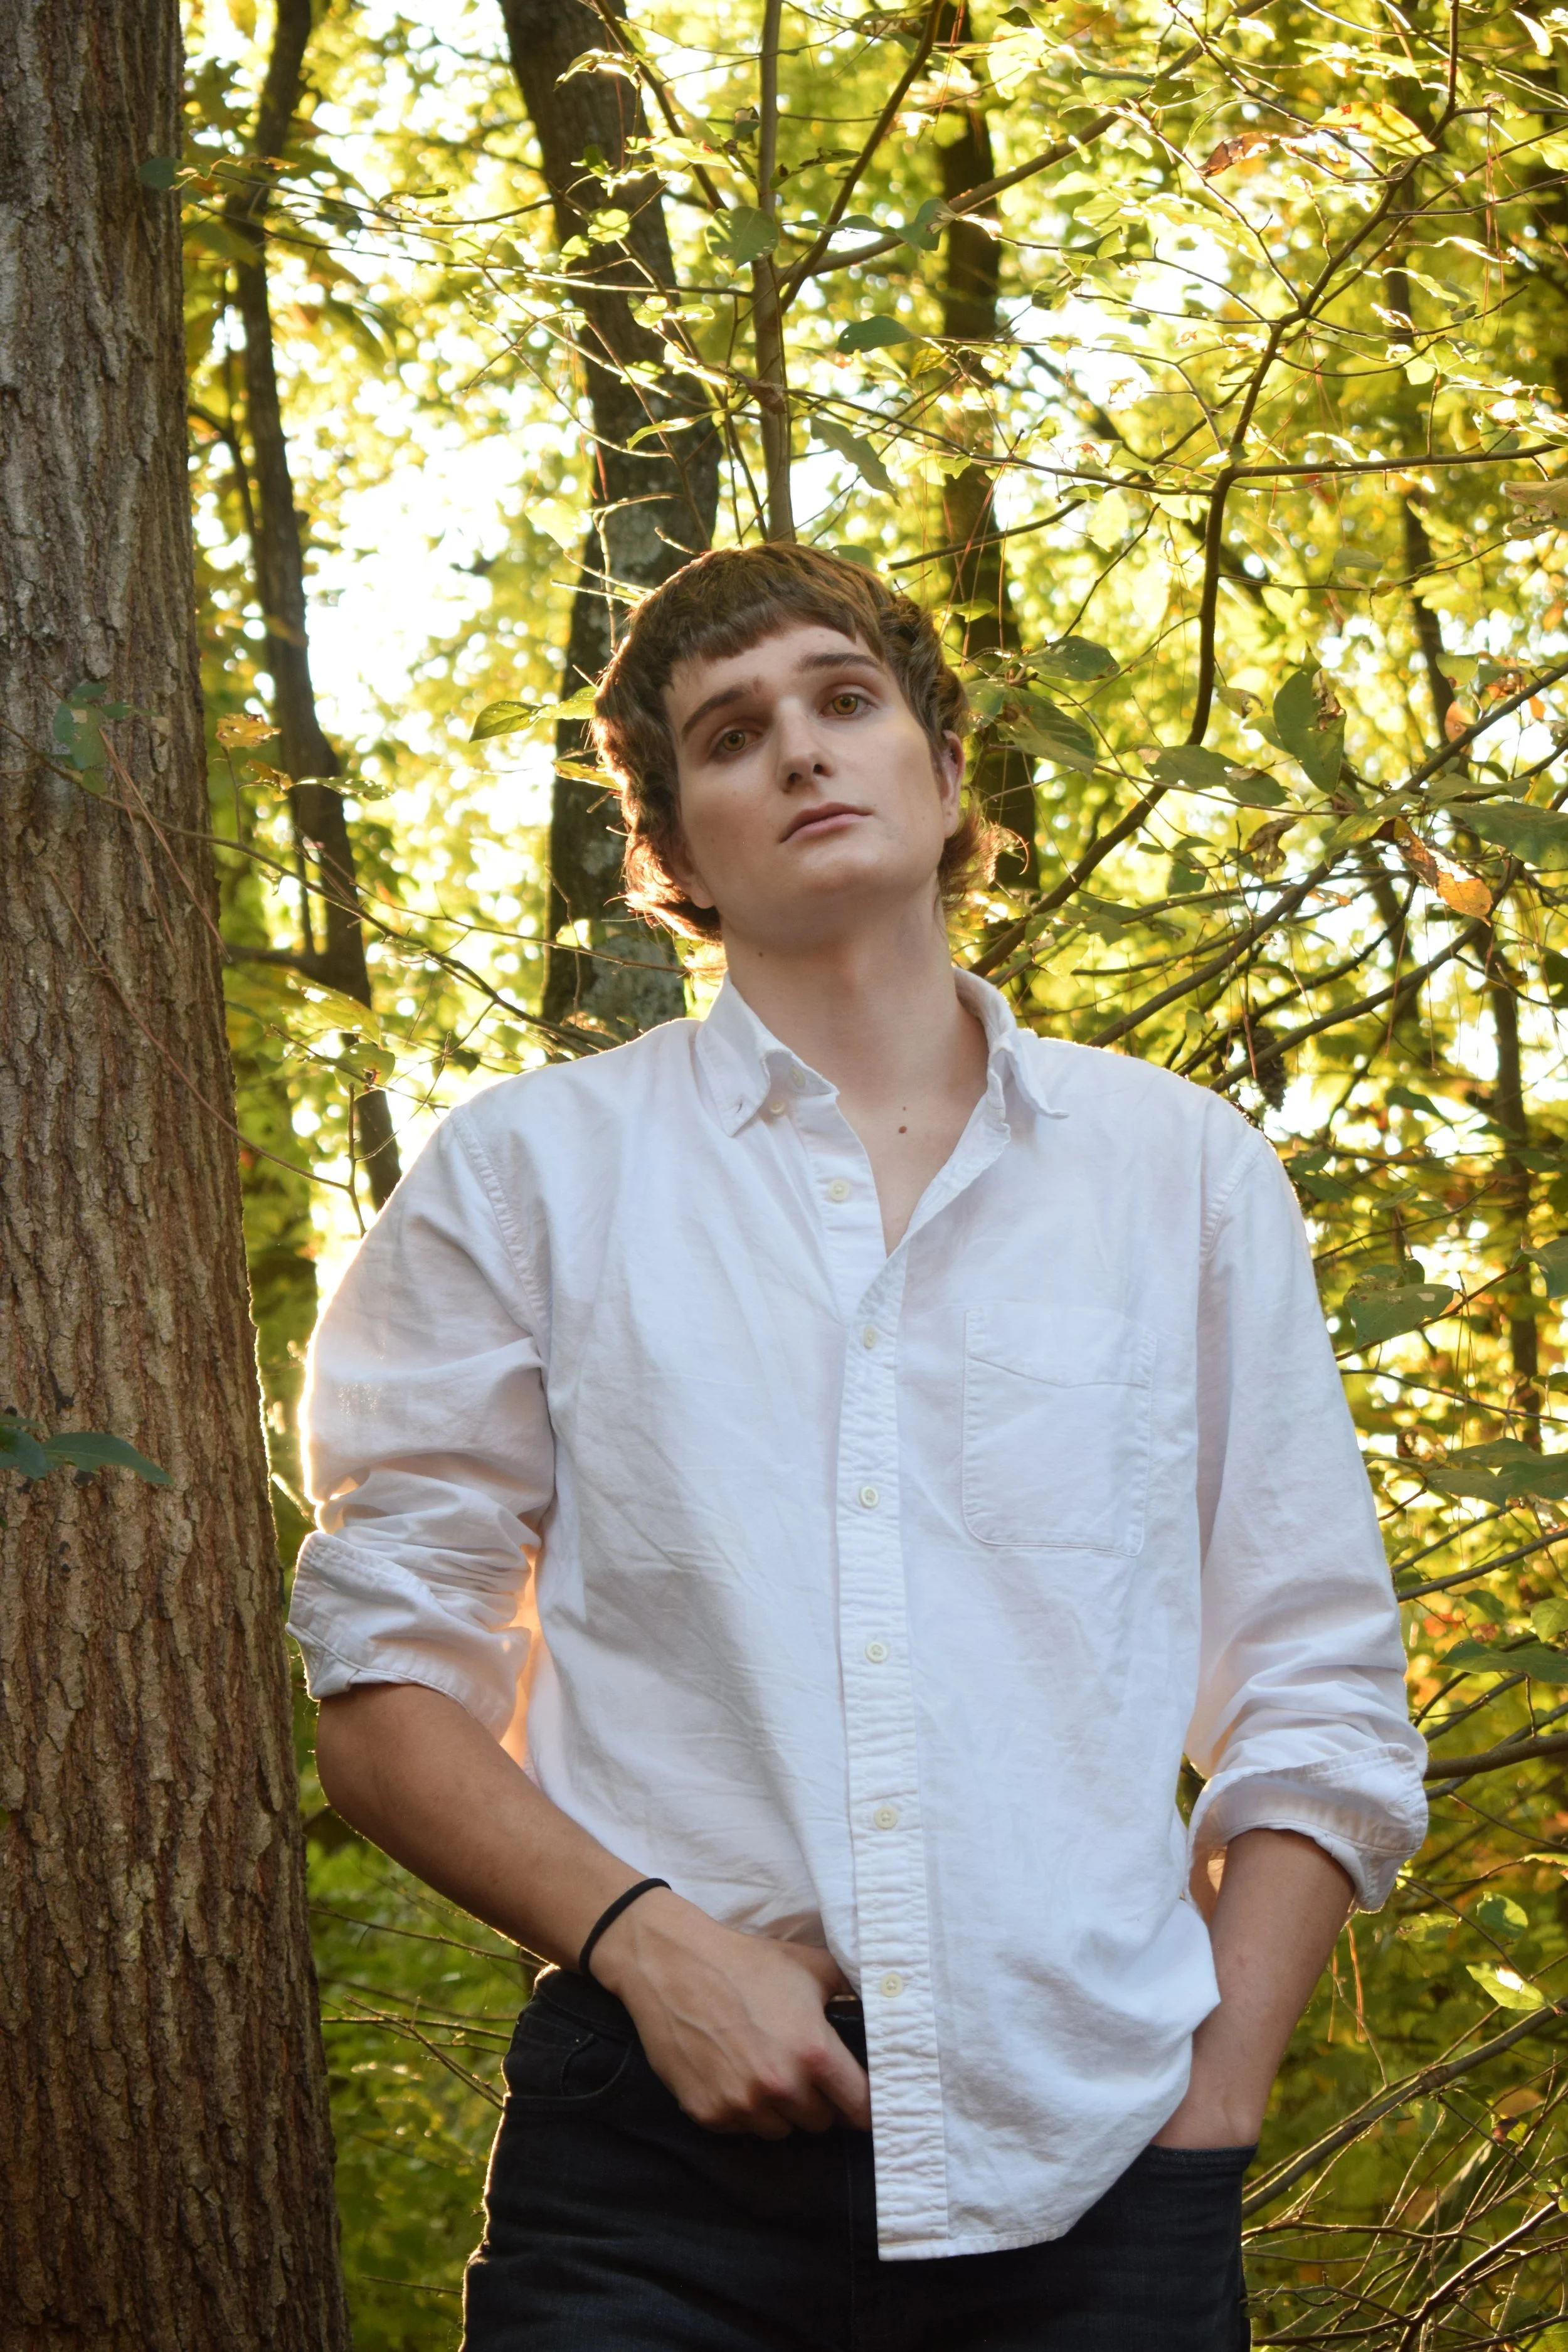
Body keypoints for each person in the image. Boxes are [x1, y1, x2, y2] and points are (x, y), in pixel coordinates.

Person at [289, 543, 1427, 2351]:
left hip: (1102, 2160)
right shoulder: (526, 1176)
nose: (802, 754)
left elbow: (1314, 1681)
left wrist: (1216, 2094)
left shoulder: (1178, 1171)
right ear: (670, 853)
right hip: (652, 2167)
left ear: (942, 768)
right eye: (730, 736)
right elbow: (385, 1684)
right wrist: (653, 1944)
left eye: (844, 700)